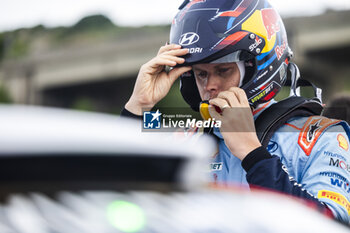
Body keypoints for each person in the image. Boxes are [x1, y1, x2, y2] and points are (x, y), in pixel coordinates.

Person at [122, 0, 350, 224]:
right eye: (201, 74)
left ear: (258, 67)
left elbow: (333, 225)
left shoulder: (321, 137)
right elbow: (117, 195)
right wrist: (138, 107)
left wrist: (253, 154)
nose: (210, 85)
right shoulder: (186, 138)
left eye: (223, 70)